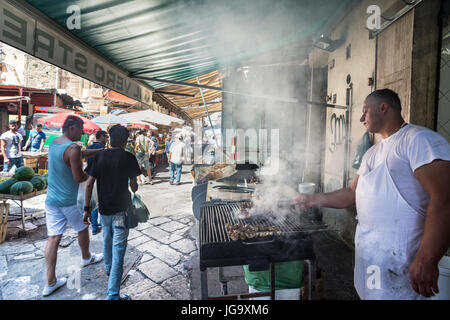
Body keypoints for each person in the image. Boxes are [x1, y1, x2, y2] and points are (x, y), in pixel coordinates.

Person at [293, 89, 450, 300]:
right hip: (373, 261)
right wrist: (312, 199)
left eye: (365, 111)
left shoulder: (418, 140)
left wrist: (427, 259)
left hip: (403, 264)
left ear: (383, 107)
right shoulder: (372, 153)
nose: (361, 118)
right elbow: (350, 193)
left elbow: (444, 200)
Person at [43, 116, 104, 297]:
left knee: (53, 239)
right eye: (80, 129)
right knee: (82, 227)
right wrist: (91, 176)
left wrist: (98, 151)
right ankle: (86, 257)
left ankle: (50, 282)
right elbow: (79, 177)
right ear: (71, 128)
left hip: (52, 200)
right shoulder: (73, 147)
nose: (82, 133)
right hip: (70, 200)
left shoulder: (55, 143)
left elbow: (76, 154)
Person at [83, 124, 141, 300]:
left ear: (110, 138)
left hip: (104, 209)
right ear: (125, 141)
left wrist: (87, 209)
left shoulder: (99, 156)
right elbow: (134, 186)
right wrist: (133, 184)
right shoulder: (129, 157)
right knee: (119, 250)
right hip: (121, 211)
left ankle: (109, 271)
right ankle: (113, 294)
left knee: (106, 239)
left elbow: (89, 183)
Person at [86, 130, 108, 236]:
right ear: (102, 137)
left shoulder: (89, 148)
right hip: (102, 179)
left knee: (94, 203)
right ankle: (102, 224)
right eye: (106, 137)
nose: (107, 139)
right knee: (102, 202)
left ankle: (94, 227)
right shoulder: (103, 150)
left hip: (91, 178)